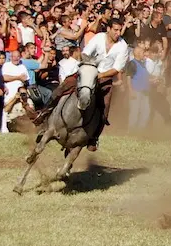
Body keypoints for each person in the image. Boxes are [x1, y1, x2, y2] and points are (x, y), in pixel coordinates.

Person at [33, 19, 128, 151]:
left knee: (104, 108)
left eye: (119, 30)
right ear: (109, 29)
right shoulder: (99, 38)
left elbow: (116, 69)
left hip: (104, 78)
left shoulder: (123, 46)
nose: (118, 33)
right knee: (63, 86)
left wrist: (98, 75)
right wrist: (90, 69)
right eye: (115, 30)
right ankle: (44, 114)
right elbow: (85, 53)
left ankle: (93, 138)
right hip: (87, 71)